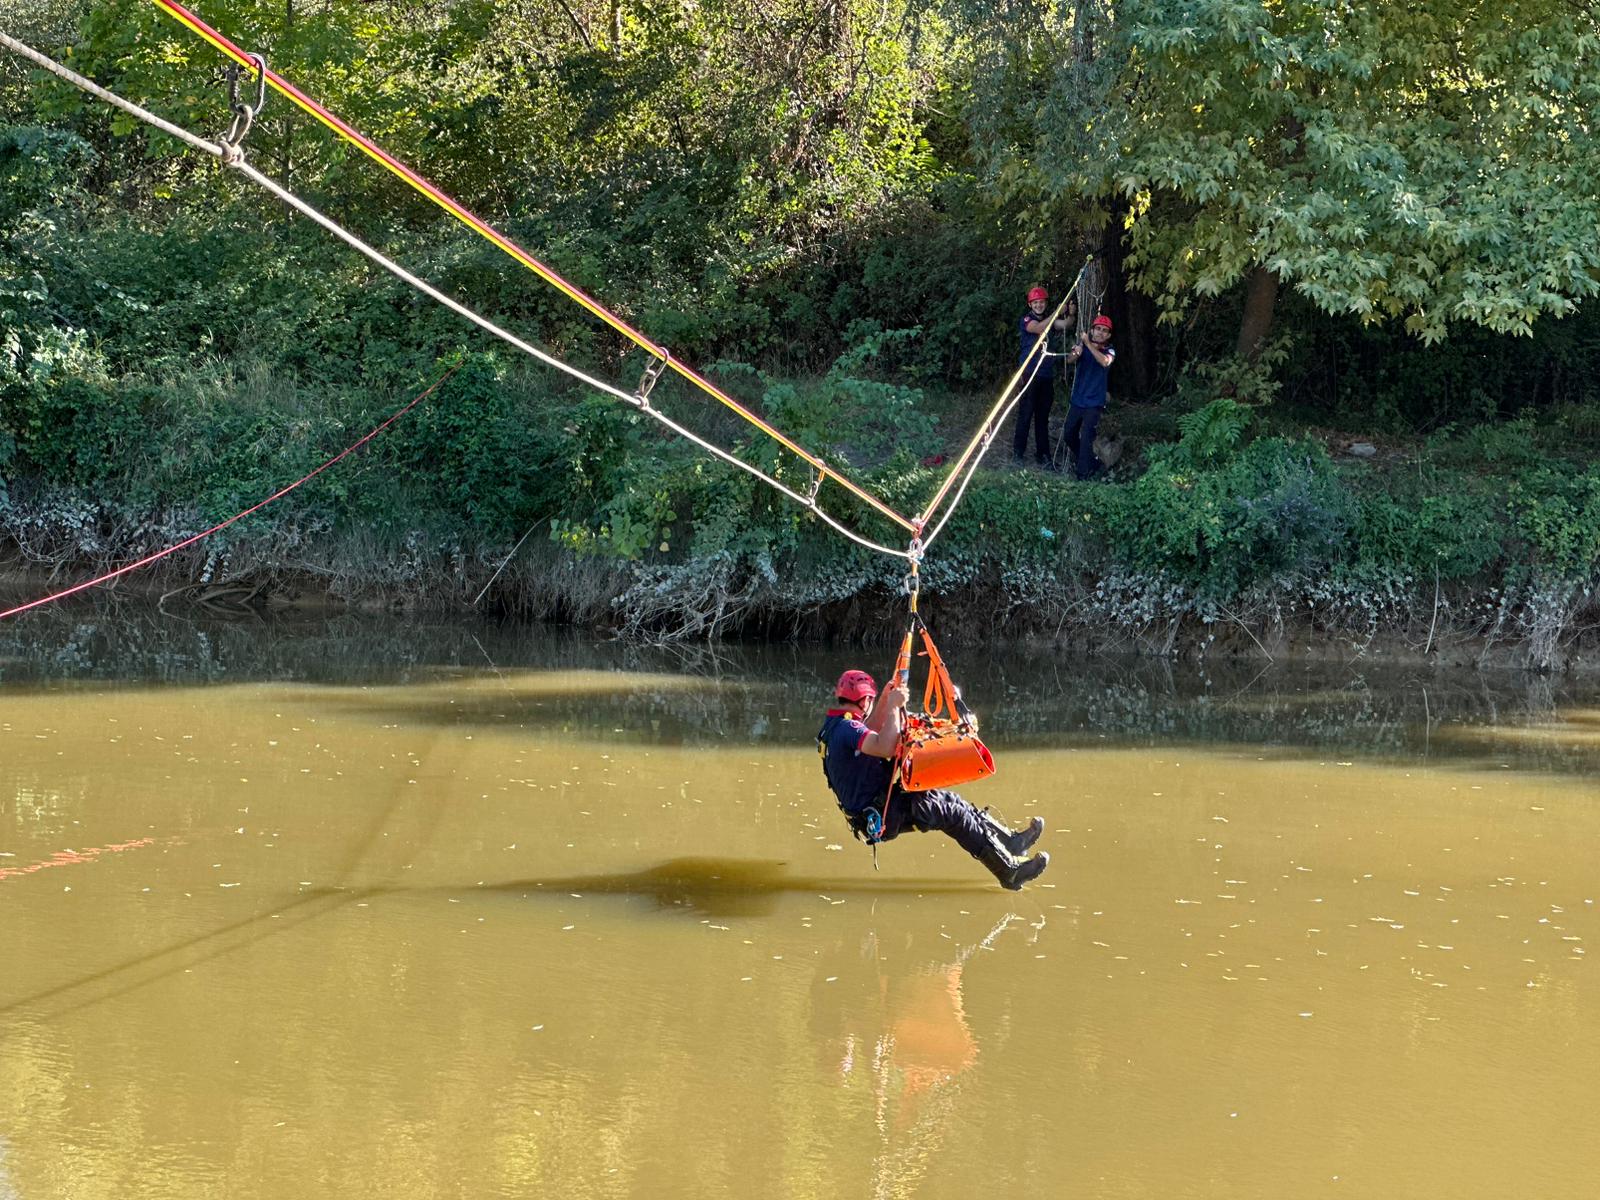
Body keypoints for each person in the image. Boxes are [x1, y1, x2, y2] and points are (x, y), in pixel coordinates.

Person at [816, 669, 1050, 890]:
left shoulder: (837, 725)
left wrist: (887, 700)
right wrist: (895, 708)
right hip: (882, 813)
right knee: (952, 814)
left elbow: (868, 727)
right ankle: (1008, 872)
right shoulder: (847, 728)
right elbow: (885, 746)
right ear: (864, 700)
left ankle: (1010, 843)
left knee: (951, 800)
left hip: (879, 805)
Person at [1013, 286, 1074, 468]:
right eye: (1036, 302)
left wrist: (1070, 314)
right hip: (1029, 373)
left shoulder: (1050, 320)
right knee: (1025, 413)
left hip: (1046, 375)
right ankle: (1018, 452)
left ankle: (1043, 454)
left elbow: (1066, 325)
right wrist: (1056, 313)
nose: (1039, 305)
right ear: (1030, 304)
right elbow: (1039, 328)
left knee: (1042, 416)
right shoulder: (1026, 320)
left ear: (1045, 303)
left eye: (1042, 302)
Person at [1061, 314, 1116, 480]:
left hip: (1094, 403)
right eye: (1097, 329)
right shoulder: (1082, 346)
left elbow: (1105, 362)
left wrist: (1087, 345)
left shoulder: (1109, 350)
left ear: (1108, 335)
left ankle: (1083, 475)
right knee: (1069, 434)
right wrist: (1076, 352)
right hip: (1078, 400)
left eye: (1104, 331)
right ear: (1092, 330)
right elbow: (1070, 360)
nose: (1100, 333)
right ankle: (1091, 462)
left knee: (1086, 438)